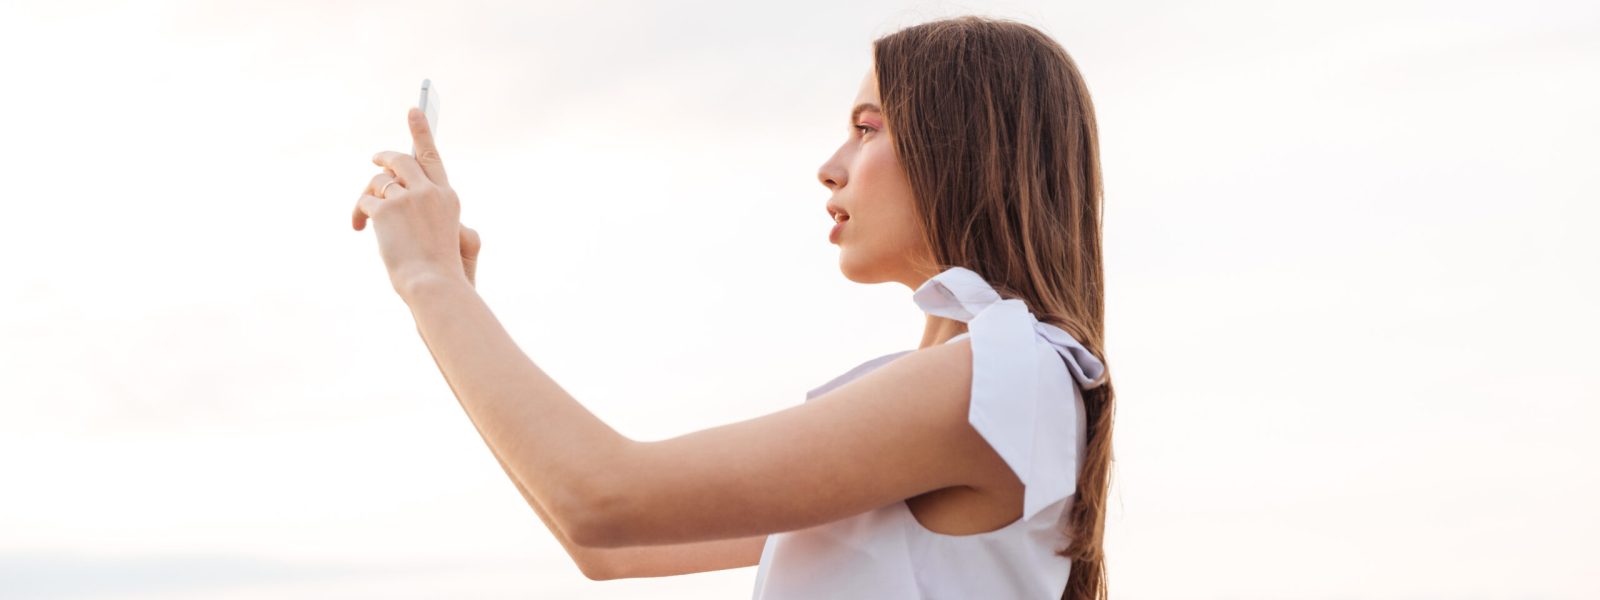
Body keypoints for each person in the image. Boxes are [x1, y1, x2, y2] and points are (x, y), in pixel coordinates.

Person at [351, 14, 1115, 600]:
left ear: (964, 146)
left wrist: (432, 282)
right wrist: (444, 300)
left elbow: (602, 499)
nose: (830, 168)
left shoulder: (1001, 375)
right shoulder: (981, 383)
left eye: (867, 129)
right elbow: (609, 550)